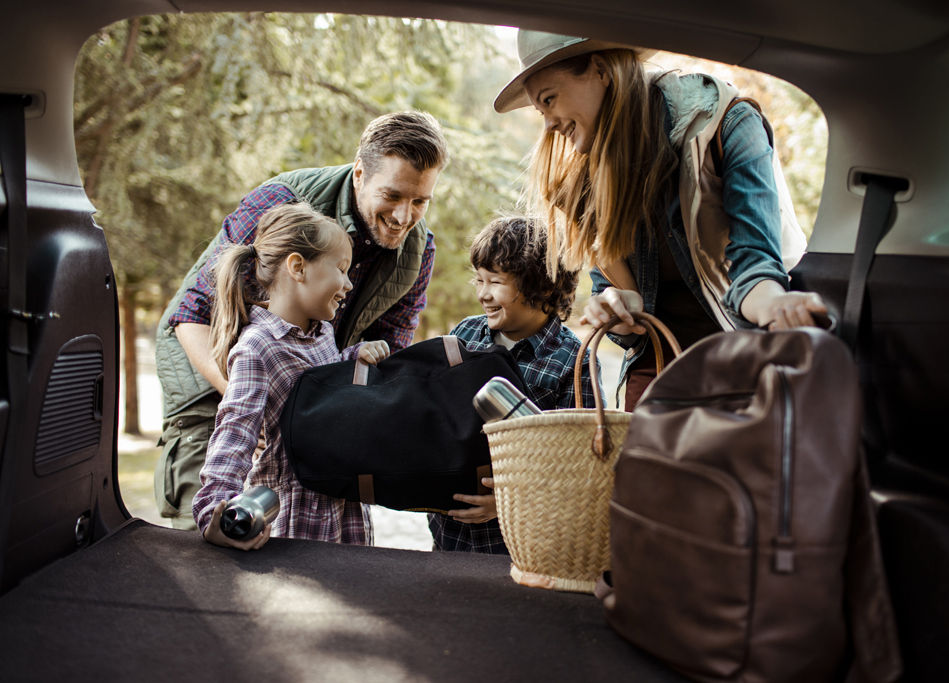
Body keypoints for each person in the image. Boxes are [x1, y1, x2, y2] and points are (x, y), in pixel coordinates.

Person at [494, 30, 829, 410]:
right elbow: (626, 314)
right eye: (541, 112)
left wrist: (778, 308)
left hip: (744, 359)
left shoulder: (726, 123)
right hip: (659, 377)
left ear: (600, 70)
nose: (549, 125)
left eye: (549, 100)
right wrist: (614, 307)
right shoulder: (585, 184)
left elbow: (756, 268)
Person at [154, 111, 448, 529]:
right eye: (393, 196)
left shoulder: (419, 252)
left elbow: (386, 359)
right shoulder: (281, 200)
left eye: (420, 201)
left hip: (304, 396)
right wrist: (256, 408)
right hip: (213, 376)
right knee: (210, 538)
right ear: (360, 173)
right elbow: (191, 314)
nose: (404, 216)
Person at [193, 202, 391, 549]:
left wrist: (351, 358)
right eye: (341, 269)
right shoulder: (258, 347)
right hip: (295, 518)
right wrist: (215, 514)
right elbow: (234, 434)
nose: (347, 284)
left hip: (342, 510)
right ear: (298, 267)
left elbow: (320, 388)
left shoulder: (322, 333)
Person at [428, 215, 602, 555]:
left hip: (519, 544)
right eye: (478, 280)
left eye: (495, 282)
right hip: (448, 537)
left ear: (543, 285)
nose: (483, 294)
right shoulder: (464, 335)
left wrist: (505, 503)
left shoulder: (574, 361)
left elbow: (580, 466)